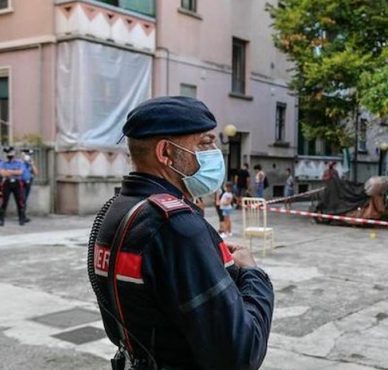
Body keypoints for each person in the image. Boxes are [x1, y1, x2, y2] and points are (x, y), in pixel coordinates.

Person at [87, 96, 274, 370]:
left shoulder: (117, 210)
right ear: (166, 153)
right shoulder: (178, 228)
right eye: (204, 143)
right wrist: (254, 276)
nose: (214, 153)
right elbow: (239, 355)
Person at [0, 147, 28, 226]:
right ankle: (1, 220)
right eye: (8, 154)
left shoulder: (19, 163)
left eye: (11, 153)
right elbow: (2, 173)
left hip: (17, 183)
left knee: (20, 201)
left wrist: (8, 171)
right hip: (6, 183)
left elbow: (20, 172)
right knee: (3, 202)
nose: (10, 155)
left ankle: (21, 219)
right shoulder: (3, 163)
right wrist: (14, 172)